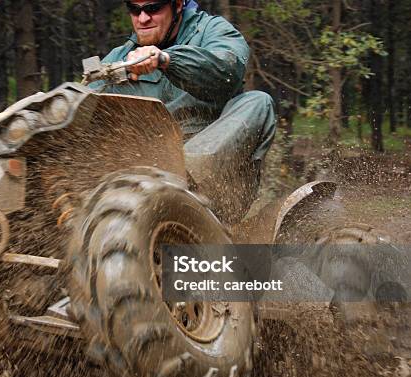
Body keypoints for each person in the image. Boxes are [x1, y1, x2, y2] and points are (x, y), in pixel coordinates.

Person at [90, 0, 277, 223]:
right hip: (142, 177)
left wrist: (166, 60)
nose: (142, 18)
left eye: (152, 8)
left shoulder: (212, 31)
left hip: (216, 183)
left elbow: (227, 71)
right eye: (134, 9)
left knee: (259, 102)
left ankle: (180, 182)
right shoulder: (119, 59)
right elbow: (83, 105)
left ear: (177, 5)